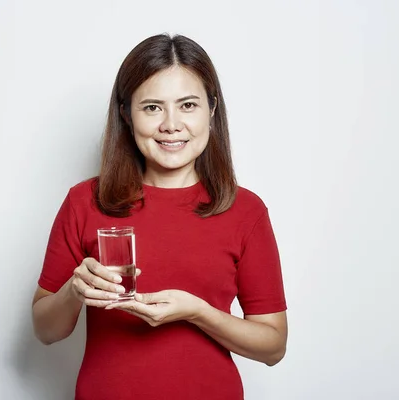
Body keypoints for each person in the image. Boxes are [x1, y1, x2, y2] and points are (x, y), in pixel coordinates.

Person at [31, 33, 288, 400]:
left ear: (211, 110)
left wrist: (198, 313)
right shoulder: (84, 202)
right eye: (152, 107)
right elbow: (45, 330)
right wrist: (75, 291)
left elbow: (273, 347)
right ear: (126, 113)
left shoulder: (245, 210)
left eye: (187, 105)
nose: (171, 124)